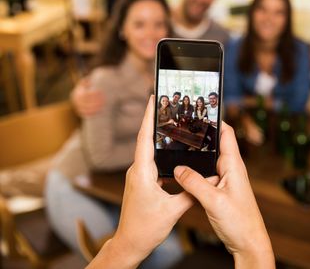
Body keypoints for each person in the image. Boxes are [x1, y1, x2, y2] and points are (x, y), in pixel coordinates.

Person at [45, 0, 184, 268]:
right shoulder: (105, 79)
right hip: (75, 183)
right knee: (119, 257)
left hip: (117, 186)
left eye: (159, 24)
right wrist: (163, 147)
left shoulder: (166, 72)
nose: (151, 32)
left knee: (169, 251)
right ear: (122, 30)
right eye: (139, 24)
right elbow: (100, 157)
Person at [87, 96, 275, 269]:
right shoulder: (170, 106)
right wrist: (253, 247)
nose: (180, 100)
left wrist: (122, 248)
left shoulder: (194, 107)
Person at [70, 0, 231, 118]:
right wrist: (78, 93)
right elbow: (108, 66)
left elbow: (223, 94)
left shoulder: (222, 37)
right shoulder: (155, 24)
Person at [224, 0, 310, 145]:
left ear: (287, 19)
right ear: (252, 13)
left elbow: (298, 103)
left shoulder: (300, 51)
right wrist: (246, 117)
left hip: (286, 136)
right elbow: (230, 98)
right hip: (244, 136)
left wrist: (252, 101)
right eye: (262, 9)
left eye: (278, 13)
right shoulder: (235, 48)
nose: (268, 19)